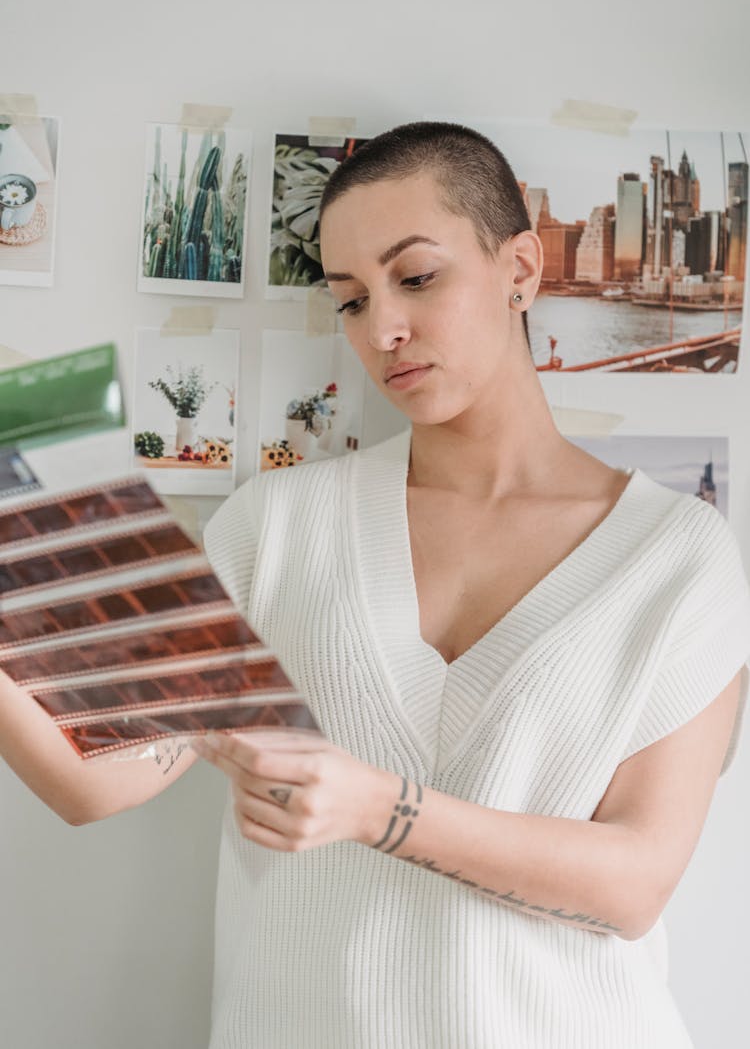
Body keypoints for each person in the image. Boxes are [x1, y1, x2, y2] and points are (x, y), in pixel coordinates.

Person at [1, 121, 749, 1049]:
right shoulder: (275, 526)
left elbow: (636, 884)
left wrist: (379, 810)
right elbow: (95, 778)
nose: (383, 329)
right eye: (350, 300)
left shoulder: (679, 555)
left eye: (417, 277)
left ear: (521, 268)